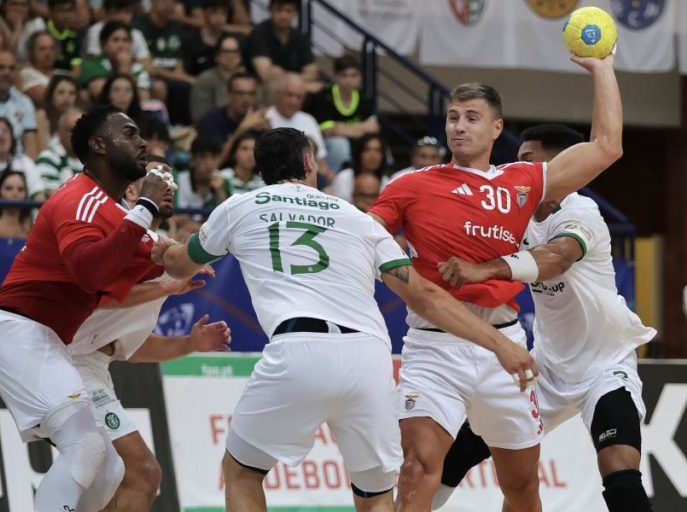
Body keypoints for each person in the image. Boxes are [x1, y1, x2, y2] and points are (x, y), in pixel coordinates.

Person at [153, 127, 537, 512]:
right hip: (369, 359)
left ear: (260, 168)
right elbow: (426, 296)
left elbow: (179, 263)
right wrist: (500, 343)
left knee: (242, 471)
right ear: (308, 163)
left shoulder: (241, 206)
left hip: (297, 350)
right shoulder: (358, 219)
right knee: (375, 497)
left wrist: (157, 244)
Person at [368, 53, 623, 511]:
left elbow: (606, 147)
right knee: (416, 470)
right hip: (433, 348)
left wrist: (603, 70)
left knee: (522, 487)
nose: (458, 127)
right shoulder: (411, 184)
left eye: (471, 117)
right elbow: (366, 236)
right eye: (452, 117)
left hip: (504, 349)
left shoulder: (521, 182)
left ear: (496, 127)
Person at [433, 123, 655, 512]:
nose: (516, 171)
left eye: (527, 161)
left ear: (559, 167)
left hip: (604, 365)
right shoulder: (515, 215)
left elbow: (556, 259)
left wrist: (485, 269)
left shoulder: (581, 211)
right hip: (546, 369)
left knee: (619, 472)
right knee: (459, 451)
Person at [0, 104, 170, 511]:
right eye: (130, 133)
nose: (143, 142)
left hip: (44, 338)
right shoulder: (79, 198)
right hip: (17, 331)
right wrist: (146, 209)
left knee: (109, 469)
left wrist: (223, 238)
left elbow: (171, 258)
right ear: (98, 145)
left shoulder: (117, 213)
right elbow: (90, 272)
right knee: (84, 443)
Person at [68, 159, 231, 512]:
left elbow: (129, 348)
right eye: (157, 177)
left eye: (171, 178)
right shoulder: (120, 238)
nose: (167, 183)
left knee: (110, 482)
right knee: (140, 472)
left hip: (92, 365)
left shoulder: (159, 253)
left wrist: (190, 344)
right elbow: (105, 296)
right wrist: (170, 284)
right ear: (130, 191)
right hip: (64, 361)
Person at [307, 54, 379, 173]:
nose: (349, 80)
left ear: (360, 76)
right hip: (328, 148)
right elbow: (329, 132)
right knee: (340, 143)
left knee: (375, 144)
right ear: (336, 76)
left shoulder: (364, 98)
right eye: (344, 75)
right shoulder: (324, 96)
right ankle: (336, 181)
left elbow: (374, 128)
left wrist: (342, 127)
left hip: (357, 145)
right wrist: (361, 128)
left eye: (353, 75)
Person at [243, 0, 320, 92]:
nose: (283, 16)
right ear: (270, 11)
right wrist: (299, 81)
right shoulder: (259, 33)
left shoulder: (299, 37)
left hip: (292, 87)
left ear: (295, 13)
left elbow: (311, 72)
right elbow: (265, 74)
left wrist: (288, 78)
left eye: (288, 11)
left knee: (318, 87)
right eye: (279, 10)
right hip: (261, 89)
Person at [189, 33, 243, 123]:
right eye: (226, 52)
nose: (231, 56)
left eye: (235, 51)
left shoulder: (247, 81)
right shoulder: (205, 80)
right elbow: (199, 117)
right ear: (217, 56)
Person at [34, 107, 83, 196]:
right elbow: (54, 197)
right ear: (60, 132)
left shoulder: (92, 161)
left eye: (82, 130)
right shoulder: (48, 158)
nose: (79, 135)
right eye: (72, 130)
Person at [331, 133, 389, 204]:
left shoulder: (386, 182)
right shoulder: (344, 177)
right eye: (367, 150)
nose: (373, 156)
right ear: (358, 153)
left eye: (378, 150)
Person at [217, 129, 264, 195]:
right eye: (244, 149)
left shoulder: (262, 183)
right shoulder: (222, 177)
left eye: (254, 149)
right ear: (234, 153)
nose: (250, 154)